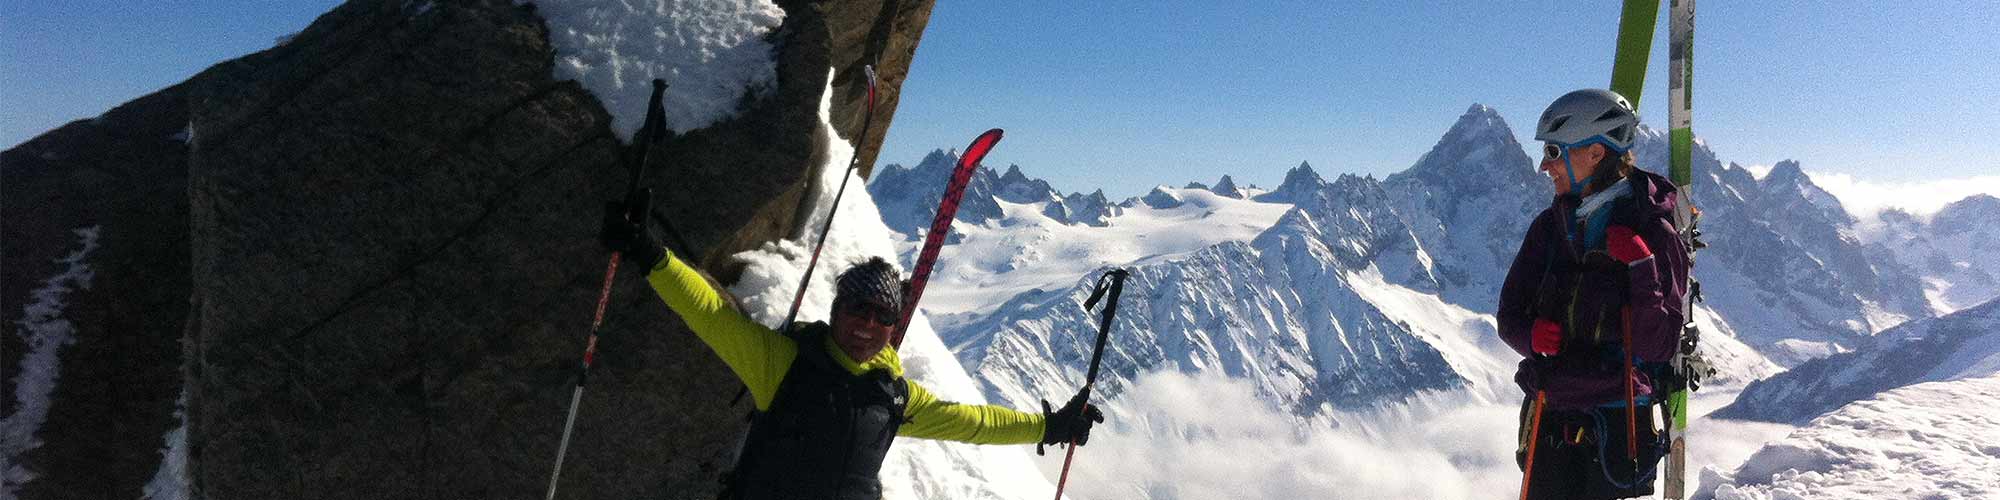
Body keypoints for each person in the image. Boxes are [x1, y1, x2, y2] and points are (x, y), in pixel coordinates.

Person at [600, 207, 1102, 500]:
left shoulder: (893, 396)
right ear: (838, 310)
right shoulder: (783, 364)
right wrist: (650, 253)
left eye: (884, 316)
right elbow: (711, 314)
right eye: (859, 309)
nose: (868, 324)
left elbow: (972, 422)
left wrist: (1049, 428)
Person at [1497, 88, 1691, 499]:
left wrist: (1641, 267)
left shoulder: (1654, 231)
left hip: (1616, 425)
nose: (1545, 166)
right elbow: (1509, 316)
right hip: (1552, 413)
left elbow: (1659, 345)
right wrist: (1528, 336)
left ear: (1595, 153)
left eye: (1554, 151)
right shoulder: (1549, 228)